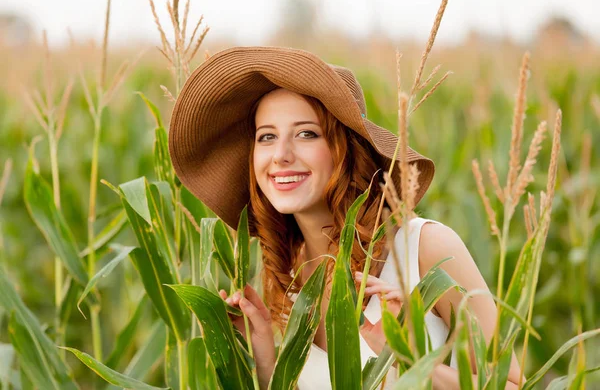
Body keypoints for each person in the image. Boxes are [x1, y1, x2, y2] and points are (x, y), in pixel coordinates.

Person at [168, 46, 522, 389]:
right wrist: (265, 361)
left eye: (306, 133)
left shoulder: (424, 248)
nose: (280, 155)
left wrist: (410, 362)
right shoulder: (280, 273)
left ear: (346, 147)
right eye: (267, 137)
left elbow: (510, 385)